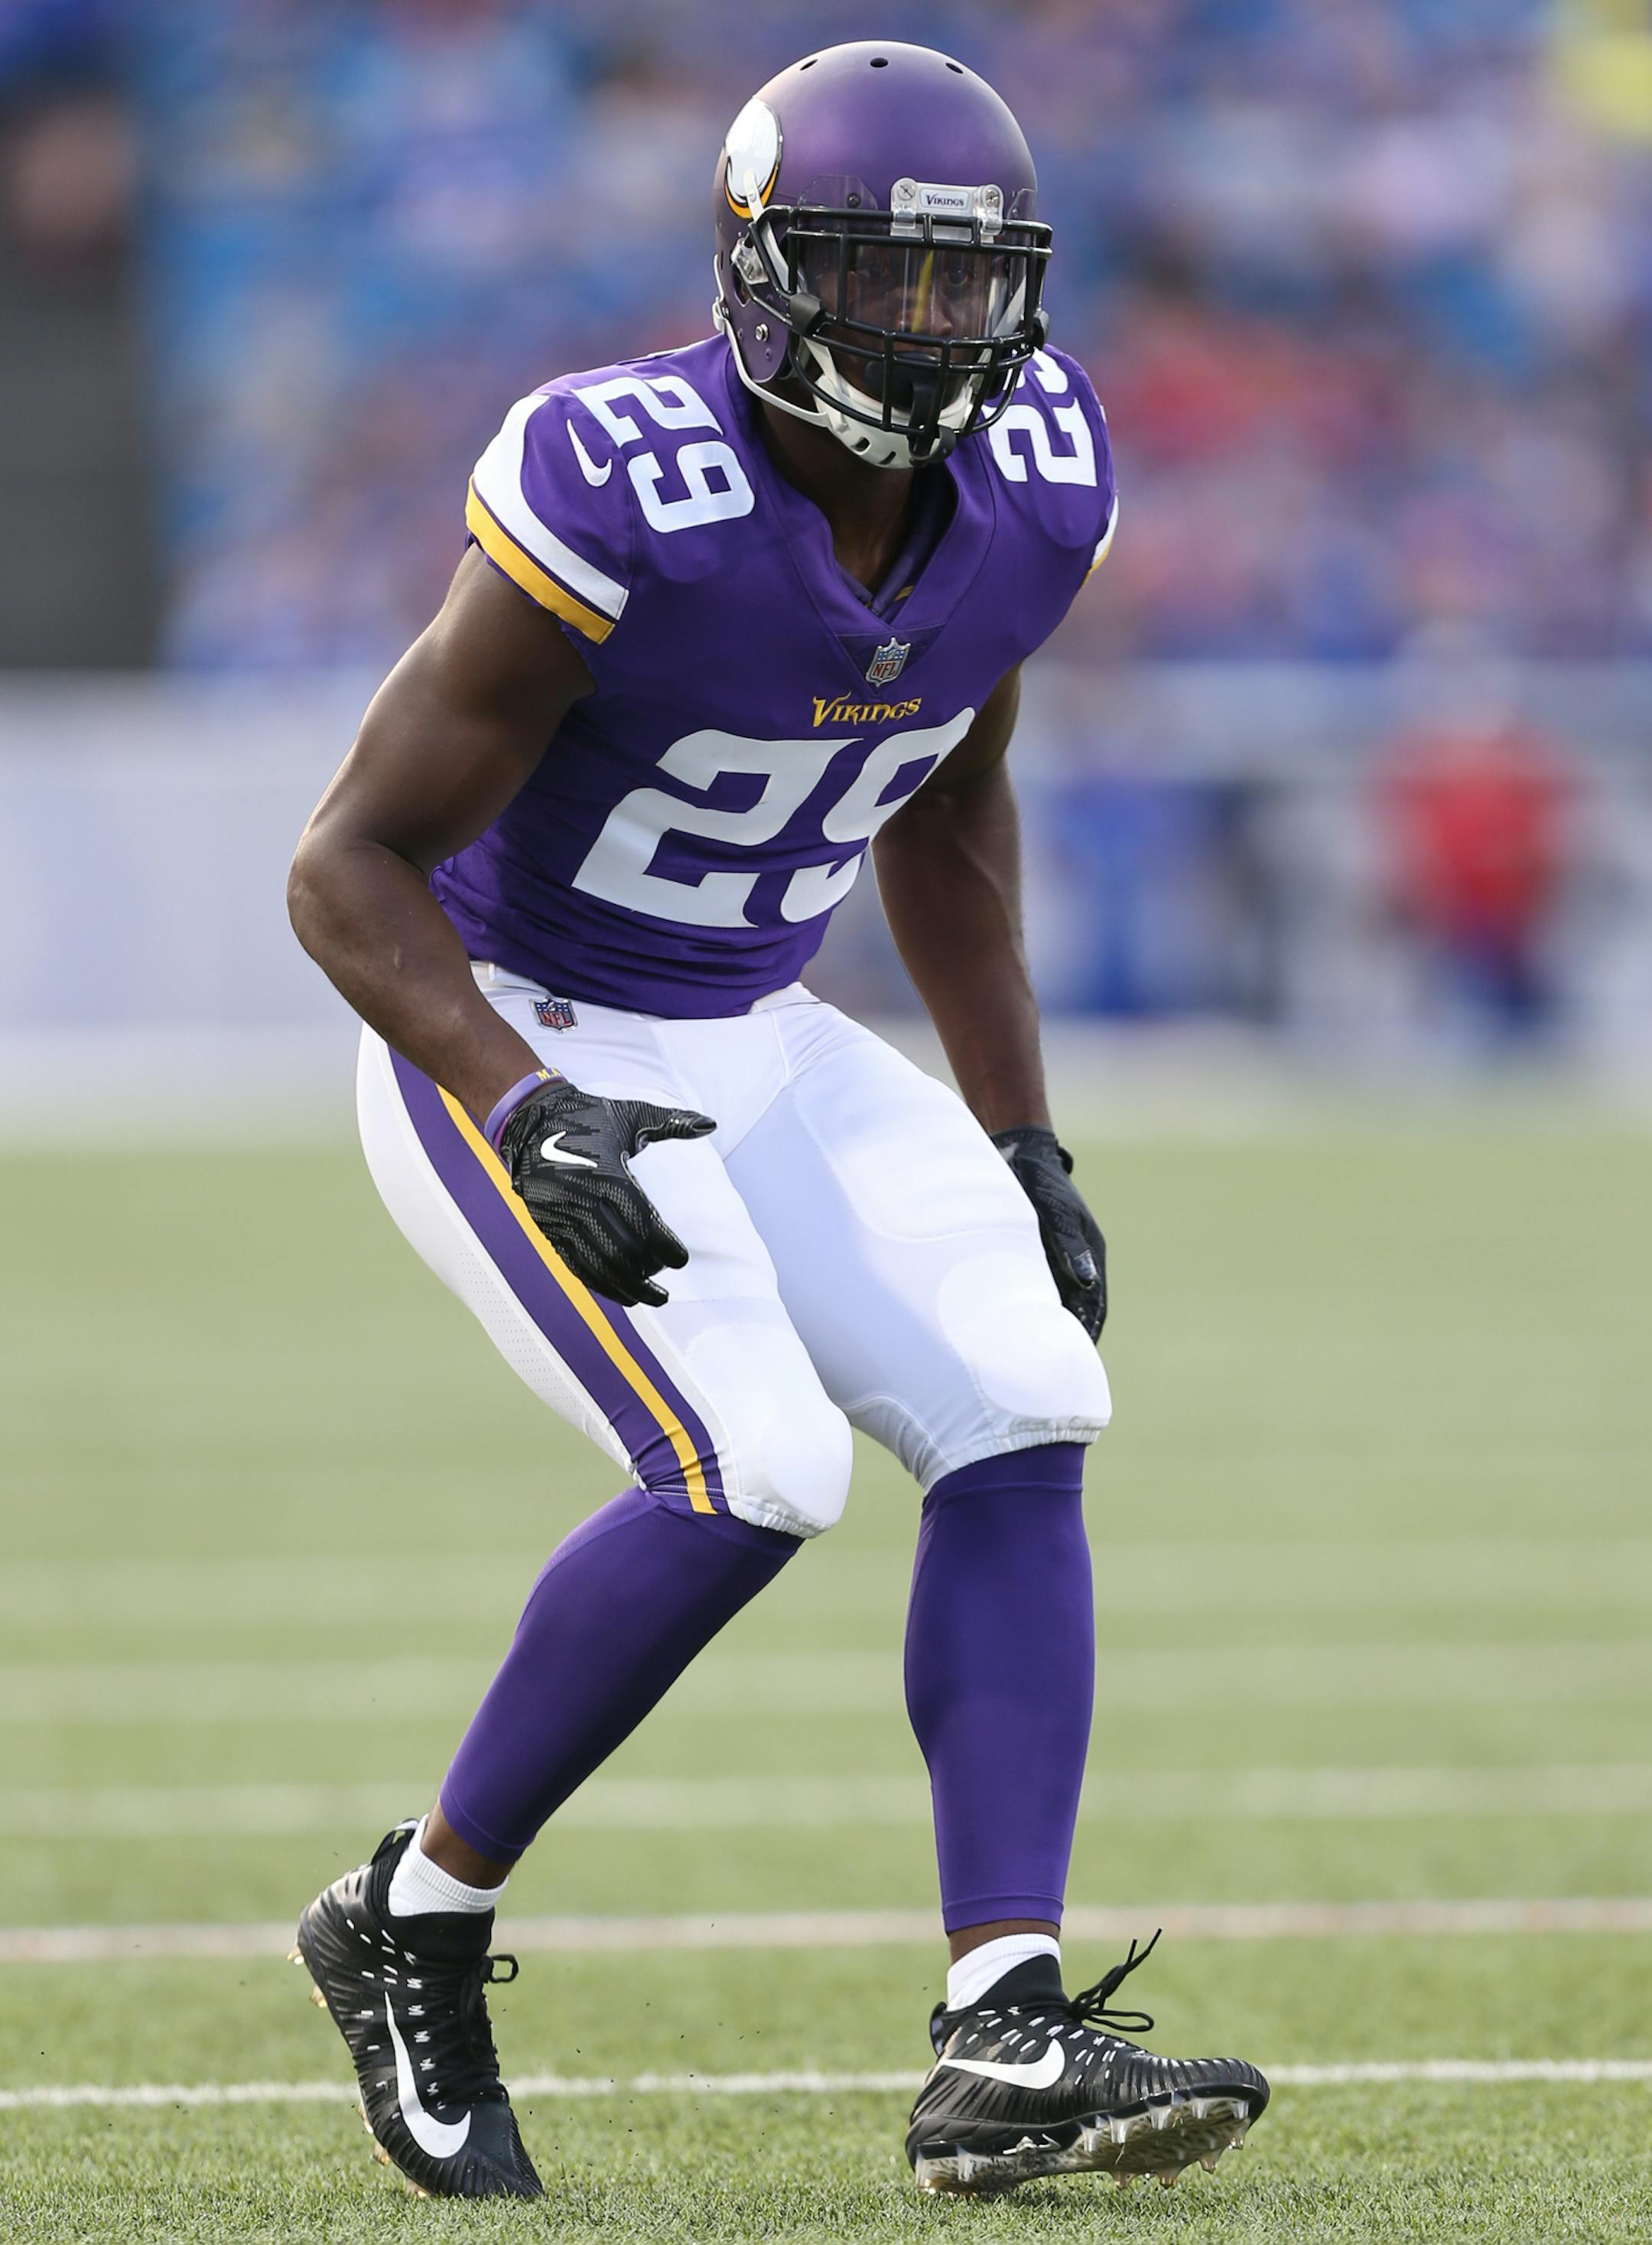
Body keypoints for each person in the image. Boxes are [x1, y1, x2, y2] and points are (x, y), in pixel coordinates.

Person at [285, 39, 1267, 2203]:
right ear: (756, 274)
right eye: (874, 280)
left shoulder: (1039, 478)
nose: (928, 334)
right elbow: (342, 867)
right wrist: (525, 1104)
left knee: (1028, 1389)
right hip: (517, 1019)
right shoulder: (616, 480)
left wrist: (1024, 1142)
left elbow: (955, 809)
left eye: (965, 287)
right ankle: (411, 1920)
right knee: (758, 1470)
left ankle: (999, 2029)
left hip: (753, 1021)